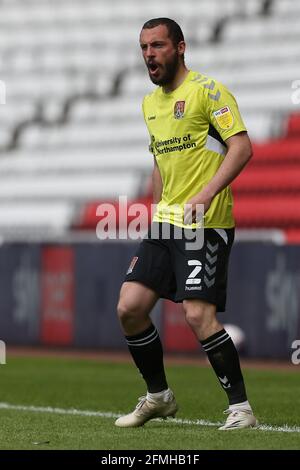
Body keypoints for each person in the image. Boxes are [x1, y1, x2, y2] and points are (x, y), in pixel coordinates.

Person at [115, 17, 257, 430]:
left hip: (204, 221)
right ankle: (159, 397)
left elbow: (242, 147)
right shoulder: (149, 104)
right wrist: (155, 207)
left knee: (197, 315)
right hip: (165, 223)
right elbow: (160, 159)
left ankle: (241, 408)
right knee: (130, 308)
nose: (148, 55)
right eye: (143, 47)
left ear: (180, 47)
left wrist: (208, 191)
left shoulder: (208, 91)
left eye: (157, 46)